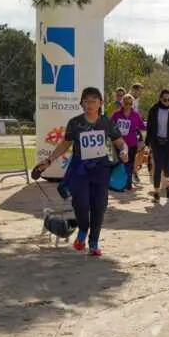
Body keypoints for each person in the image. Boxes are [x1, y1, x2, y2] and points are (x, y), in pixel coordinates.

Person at [35, 87, 129, 256]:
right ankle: (82, 232)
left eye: (94, 101)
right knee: (81, 204)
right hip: (80, 169)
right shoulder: (75, 123)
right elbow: (65, 144)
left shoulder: (107, 123)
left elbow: (120, 142)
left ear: (100, 103)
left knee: (99, 206)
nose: (90, 104)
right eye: (86, 101)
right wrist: (49, 160)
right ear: (82, 103)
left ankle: (93, 242)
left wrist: (124, 151)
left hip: (101, 169)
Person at [110, 94, 145, 191]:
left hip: (132, 142)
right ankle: (121, 183)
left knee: (130, 163)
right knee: (122, 163)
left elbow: (142, 126)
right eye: (126, 103)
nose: (128, 105)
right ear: (122, 103)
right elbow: (110, 125)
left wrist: (152, 126)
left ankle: (128, 184)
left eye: (130, 103)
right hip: (119, 143)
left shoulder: (136, 115)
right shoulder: (116, 114)